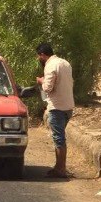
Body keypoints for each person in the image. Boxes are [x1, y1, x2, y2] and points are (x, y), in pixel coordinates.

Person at [36, 42, 74, 179]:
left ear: (42, 55)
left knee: (59, 139)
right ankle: (58, 167)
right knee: (60, 138)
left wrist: (41, 81)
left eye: (38, 56)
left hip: (57, 107)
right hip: (68, 106)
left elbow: (47, 88)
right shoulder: (65, 63)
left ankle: (61, 169)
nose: (38, 59)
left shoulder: (50, 65)